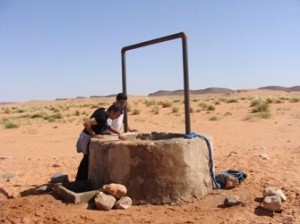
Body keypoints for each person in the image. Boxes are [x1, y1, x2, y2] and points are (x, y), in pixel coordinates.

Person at [75, 104, 124, 181]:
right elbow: (86, 123)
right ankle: (80, 180)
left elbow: (107, 126)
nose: (117, 118)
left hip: (88, 136)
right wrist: (94, 134)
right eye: (116, 115)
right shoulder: (101, 117)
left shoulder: (103, 111)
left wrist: (118, 133)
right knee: (87, 160)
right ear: (112, 111)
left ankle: (82, 179)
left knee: (87, 159)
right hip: (87, 137)